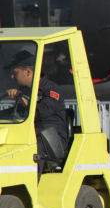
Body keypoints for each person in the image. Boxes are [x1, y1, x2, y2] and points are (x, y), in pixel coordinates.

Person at [4, 50, 68, 178]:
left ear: (28, 72)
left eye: (15, 73)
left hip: (49, 138)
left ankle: (31, 188)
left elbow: (40, 112)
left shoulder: (50, 89)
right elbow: (15, 113)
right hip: (29, 134)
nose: (12, 77)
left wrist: (21, 98)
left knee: (32, 151)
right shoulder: (25, 90)